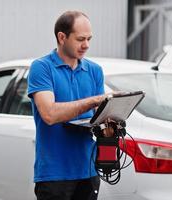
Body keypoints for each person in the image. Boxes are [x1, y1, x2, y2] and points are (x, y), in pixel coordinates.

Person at [27, 11, 114, 200]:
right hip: (54, 173)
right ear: (62, 37)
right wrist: (93, 101)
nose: (86, 45)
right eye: (80, 39)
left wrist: (112, 119)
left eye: (89, 39)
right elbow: (49, 114)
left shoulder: (94, 71)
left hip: (88, 170)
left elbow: (99, 118)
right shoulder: (42, 68)